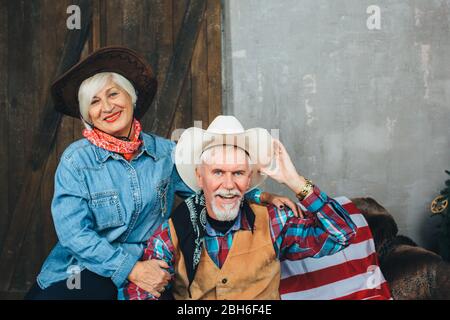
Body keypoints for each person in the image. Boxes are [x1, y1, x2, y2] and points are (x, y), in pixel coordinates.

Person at [25, 47, 297, 300]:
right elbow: (74, 234)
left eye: (113, 94)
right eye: (94, 102)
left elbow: (210, 185)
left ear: (130, 98)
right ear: (88, 115)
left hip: (153, 265)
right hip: (87, 267)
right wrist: (130, 269)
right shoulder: (77, 160)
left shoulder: (167, 153)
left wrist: (263, 195)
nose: (107, 107)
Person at [120, 115, 357, 300]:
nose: (229, 185)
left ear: (249, 179)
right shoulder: (170, 233)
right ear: (200, 178)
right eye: (218, 172)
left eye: (238, 173)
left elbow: (342, 234)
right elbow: (142, 290)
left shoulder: (275, 222)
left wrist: (295, 182)